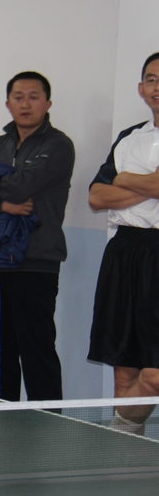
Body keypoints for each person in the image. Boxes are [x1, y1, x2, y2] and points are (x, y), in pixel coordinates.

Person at [0, 71, 74, 401]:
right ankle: (2, 420)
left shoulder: (58, 145)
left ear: (47, 103)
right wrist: (2, 205)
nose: (26, 104)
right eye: (18, 97)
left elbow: (23, 185)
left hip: (35, 262)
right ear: (8, 104)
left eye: (34, 97)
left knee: (37, 353)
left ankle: (48, 423)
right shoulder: (0, 144)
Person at [88, 52, 159, 433]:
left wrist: (125, 179)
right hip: (124, 252)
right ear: (141, 88)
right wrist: (148, 184)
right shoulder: (129, 137)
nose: (157, 87)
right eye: (151, 79)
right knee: (124, 370)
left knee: (154, 375)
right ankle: (124, 458)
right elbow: (97, 196)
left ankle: (115, 435)